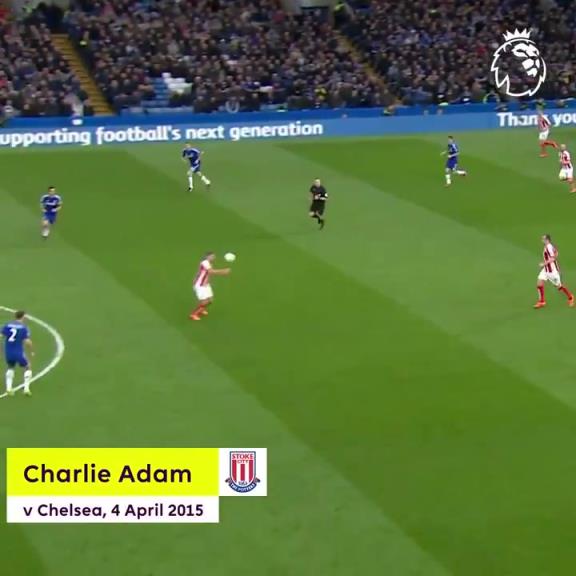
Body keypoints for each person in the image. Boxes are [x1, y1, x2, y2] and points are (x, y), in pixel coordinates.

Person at [534, 234, 574, 309]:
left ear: (547, 240)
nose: (542, 240)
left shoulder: (549, 247)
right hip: (546, 270)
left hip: (552, 271)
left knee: (559, 286)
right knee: (539, 283)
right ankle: (542, 301)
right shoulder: (549, 246)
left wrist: (543, 264)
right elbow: (556, 253)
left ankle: (570, 297)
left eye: (543, 239)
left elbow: (553, 258)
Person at [189, 253, 230, 321]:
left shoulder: (210, 264)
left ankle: (201, 310)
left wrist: (222, 273)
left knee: (210, 300)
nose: (213, 257)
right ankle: (193, 314)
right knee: (204, 302)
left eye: (214, 256)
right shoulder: (205, 262)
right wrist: (223, 271)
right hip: (200, 285)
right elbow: (211, 272)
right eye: (212, 256)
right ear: (207, 257)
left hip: (206, 285)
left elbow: (206, 273)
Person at [1, 310, 34, 396]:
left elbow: (1, 335)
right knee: (27, 367)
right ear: (23, 317)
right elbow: (27, 341)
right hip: (18, 352)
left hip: (8, 352)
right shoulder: (23, 328)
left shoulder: (7, 325)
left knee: (10, 367)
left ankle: (9, 389)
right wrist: (31, 350)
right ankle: (26, 389)